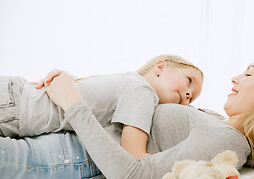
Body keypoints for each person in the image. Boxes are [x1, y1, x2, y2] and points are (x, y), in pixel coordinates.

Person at [0, 50, 254, 179]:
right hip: (61, 136)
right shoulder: (213, 121)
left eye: (249, 73)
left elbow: (130, 175)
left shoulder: (229, 142)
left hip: (66, 156)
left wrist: (73, 103)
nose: (236, 77)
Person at [0, 54, 203, 159]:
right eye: (189, 81)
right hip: (16, 109)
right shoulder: (142, 91)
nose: (187, 95)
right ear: (160, 67)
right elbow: (134, 154)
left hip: (16, 97)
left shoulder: (129, 82)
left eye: (191, 99)